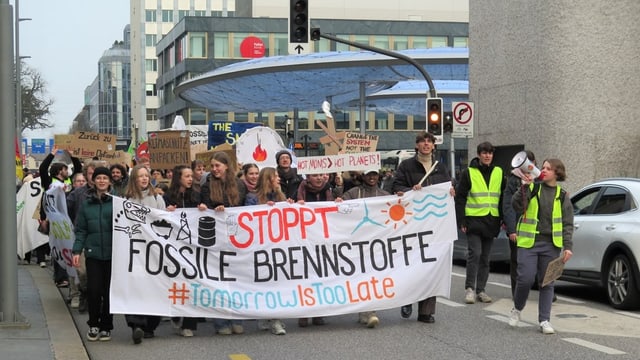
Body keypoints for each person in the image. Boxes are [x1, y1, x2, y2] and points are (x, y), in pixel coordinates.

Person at [390, 132, 453, 323]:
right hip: (412, 224)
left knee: (431, 265)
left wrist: (450, 191)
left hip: (434, 224)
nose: (426, 144)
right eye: (422, 141)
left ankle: (426, 311)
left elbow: (447, 185)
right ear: (417, 145)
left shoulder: (440, 167)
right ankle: (407, 299)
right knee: (412, 263)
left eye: (429, 142)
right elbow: (396, 185)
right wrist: (411, 191)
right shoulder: (407, 166)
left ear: (434, 146)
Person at [509, 159, 574, 334]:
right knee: (525, 279)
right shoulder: (533, 187)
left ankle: (544, 320)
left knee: (547, 282)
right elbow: (516, 206)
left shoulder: (562, 195)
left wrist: (568, 246)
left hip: (551, 245)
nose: (543, 170)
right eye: (542, 167)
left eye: (548, 168)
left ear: (557, 173)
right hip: (529, 242)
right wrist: (524, 187)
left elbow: (568, 223)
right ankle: (517, 308)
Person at [198, 152, 246, 335]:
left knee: (236, 281)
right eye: (212, 166)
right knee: (219, 281)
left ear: (227, 166)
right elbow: (205, 204)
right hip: (216, 239)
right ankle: (221, 322)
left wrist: (227, 209)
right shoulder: (207, 185)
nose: (214, 169)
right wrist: (206, 208)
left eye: (218, 165)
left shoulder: (239, 185)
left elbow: (244, 209)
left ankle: (236, 317)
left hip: (235, 238)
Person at [455, 141, 504, 304]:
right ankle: (470, 289)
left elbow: (503, 197)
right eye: (484, 153)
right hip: (473, 220)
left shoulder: (499, 172)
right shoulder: (469, 172)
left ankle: (481, 290)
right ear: (478, 155)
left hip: (491, 220)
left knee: (485, 257)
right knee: (475, 254)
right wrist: (461, 219)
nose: (487, 155)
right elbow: (460, 197)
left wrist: (503, 218)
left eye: (490, 153)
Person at [342, 168, 392, 328]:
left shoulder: (384, 195)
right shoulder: (353, 193)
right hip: (357, 244)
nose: (372, 177)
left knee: (374, 276)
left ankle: (370, 311)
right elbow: (341, 209)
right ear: (363, 176)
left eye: (375, 174)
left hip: (377, 244)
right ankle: (364, 310)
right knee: (360, 276)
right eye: (369, 174)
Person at [124, 164, 167, 344]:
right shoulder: (126, 199)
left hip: (154, 251)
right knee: (135, 287)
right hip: (134, 250)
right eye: (140, 176)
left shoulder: (156, 198)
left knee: (153, 287)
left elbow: (164, 221)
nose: (144, 179)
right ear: (134, 178)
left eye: (146, 176)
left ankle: (150, 325)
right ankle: (136, 325)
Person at [245, 167, 289, 335]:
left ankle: (275, 319)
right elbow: (248, 220)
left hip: (278, 247)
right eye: (275, 176)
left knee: (277, 283)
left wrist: (289, 205)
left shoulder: (280, 196)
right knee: (266, 283)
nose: (278, 179)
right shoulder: (252, 198)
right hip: (260, 248)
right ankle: (269, 316)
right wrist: (263, 209)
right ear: (268, 179)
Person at [72, 166, 114, 341]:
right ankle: (94, 324)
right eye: (99, 178)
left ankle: (106, 326)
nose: (102, 180)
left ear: (109, 181)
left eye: (105, 177)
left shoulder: (116, 202)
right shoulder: (86, 205)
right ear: (94, 181)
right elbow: (81, 230)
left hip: (113, 255)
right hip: (93, 253)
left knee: (109, 291)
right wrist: (77, 250)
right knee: (94, 290)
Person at [164, 165, 202, 337]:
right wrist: (166, 212)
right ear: (178, 178)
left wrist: (202, 208)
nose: (190, 179)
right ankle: (177, 314)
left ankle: (189, 323)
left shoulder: (196, 194)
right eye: (186, 176)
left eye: (191, 176)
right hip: (174, 247)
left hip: (192, 247)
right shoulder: (168, 196)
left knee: (192, 282)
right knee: (177, 282)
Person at [296, 172, 335, 327]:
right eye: (315, 175)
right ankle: (304, 313)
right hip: (303, 240)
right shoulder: (299, 191)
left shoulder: (329, 190)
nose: (319, 178)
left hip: (323, 240)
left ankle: (319, 313)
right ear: (308, 178)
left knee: (321, 276)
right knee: (305, 277)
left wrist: (338, 202)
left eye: (321, 175)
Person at [503, 150, 536, 298]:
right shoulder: (513, 180)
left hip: (536, 228)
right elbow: (508, 205)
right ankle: (517, 292)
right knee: (517, 261)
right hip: (518, 227)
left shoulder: (540, 178)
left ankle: (544, 287)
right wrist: (511, 230)